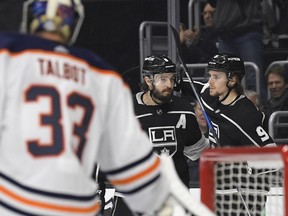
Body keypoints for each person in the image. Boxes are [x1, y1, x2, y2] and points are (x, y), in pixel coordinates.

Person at [0, 1, 215, 216]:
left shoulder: (7, 54)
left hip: (15, 203)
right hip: (76, 206)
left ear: (29, 19)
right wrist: (165, 207)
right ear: (73, 24)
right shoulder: (101, 74)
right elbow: (130, 165)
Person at [181, 53, 276, 215]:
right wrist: (176, 82)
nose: (210, 81)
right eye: (210, 75)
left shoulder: (245, 115)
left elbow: (272, 155)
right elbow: (195, 87)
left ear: (232, 80)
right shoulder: (210, 97)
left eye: (216, 77)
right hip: (219, 189)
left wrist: (254, 185)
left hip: (244, 196)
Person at [133, 55, 210, 187]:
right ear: (148, 80)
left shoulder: (184, 109)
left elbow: (199, 151)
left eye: (172, 79)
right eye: (162, 79)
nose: (169, 85)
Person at [207, 0, 266, 100]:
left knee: (252, 78)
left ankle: (261, 112)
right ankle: (229, 111)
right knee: (226, 79)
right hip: (224, 33)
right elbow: (213, 3)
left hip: (247, 29)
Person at [179, 3, 218, 68]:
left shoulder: (225, 36)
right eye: (205, 13)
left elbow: (214, 57)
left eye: (211, 13)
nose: (207, 16)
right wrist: (182, 44)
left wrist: (198, 41)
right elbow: (188, 61)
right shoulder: (202, 36)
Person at [263, 64, 288, 142]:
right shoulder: (264, 108)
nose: (274, 86)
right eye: (270, 83)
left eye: (277, 82)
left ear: (286, 84)